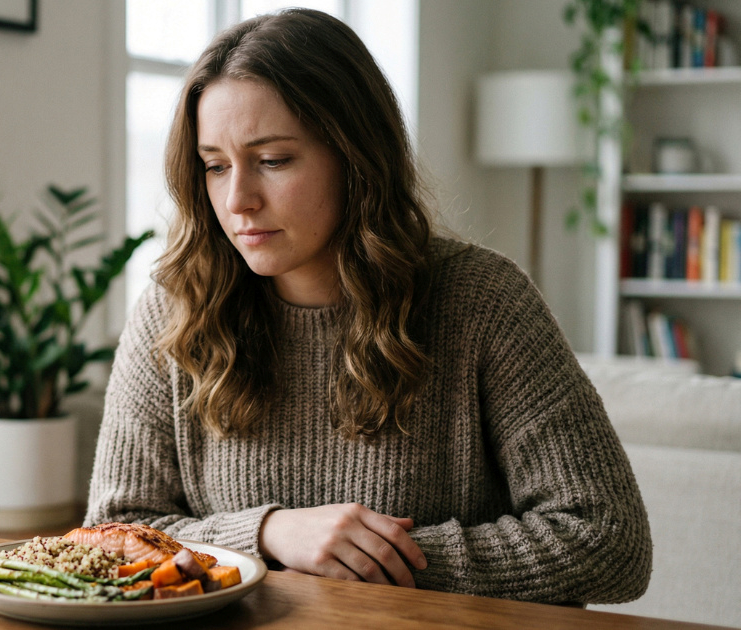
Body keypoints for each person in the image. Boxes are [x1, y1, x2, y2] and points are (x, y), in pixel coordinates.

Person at [84, 8, 651, 605]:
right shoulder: (175, 309)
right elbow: (111, 534)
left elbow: (608, 540)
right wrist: (269, 534)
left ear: (355, 157)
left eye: (273, 160)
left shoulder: (483, 301)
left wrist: (372, 558)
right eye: (215, 166)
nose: (238, 199)